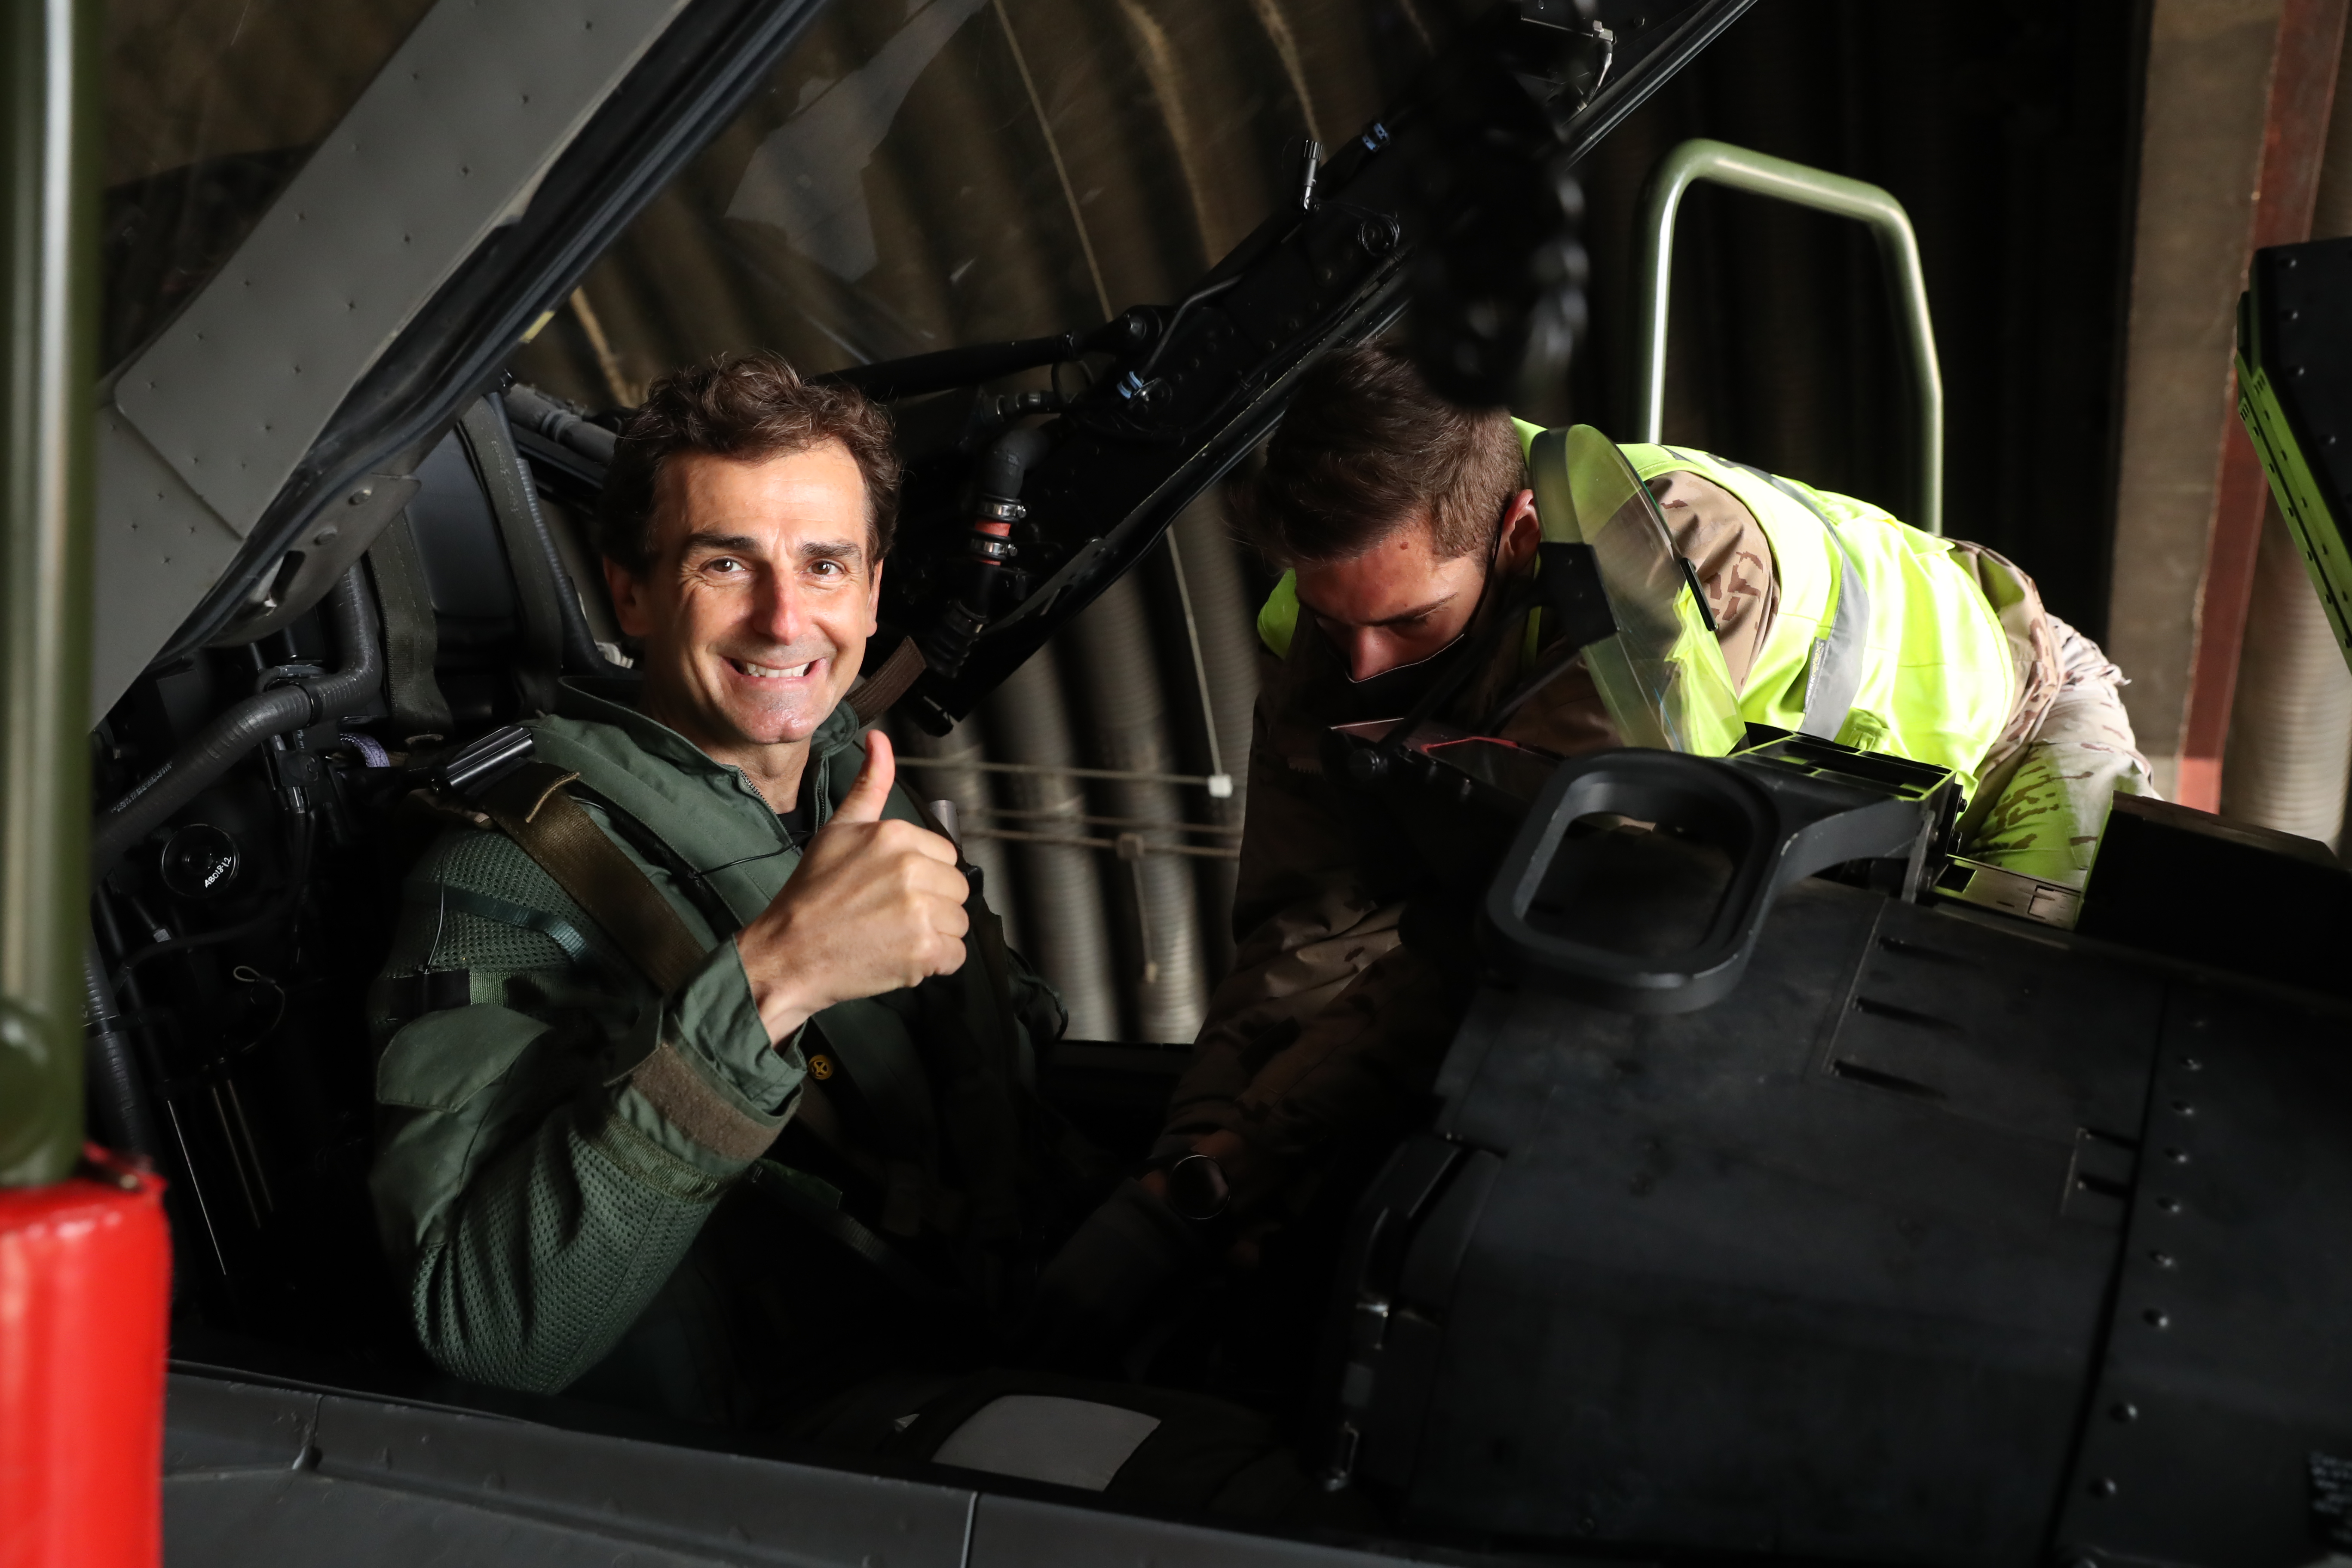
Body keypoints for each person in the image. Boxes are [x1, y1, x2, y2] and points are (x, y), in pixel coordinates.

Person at [1032, 343, 2154, 1371]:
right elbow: (1302, 920)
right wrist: (1188, 1162)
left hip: (2021, 744)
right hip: (1817, 803)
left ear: (1516, 532)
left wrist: (1250, 1161)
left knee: (1960, 1128)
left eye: (1410, 626)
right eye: (1338, 627)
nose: (1365, 666)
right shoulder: (1326, 618)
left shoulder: (1676, 575)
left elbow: (1531, 925)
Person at [366, 352, 1083, 1427]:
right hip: (766, 1453)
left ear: (877, 590)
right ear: (633, 591)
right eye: (725, 565)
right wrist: (774, 983)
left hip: (978, 1355)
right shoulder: (509, 871)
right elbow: (488, 1327)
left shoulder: (860, 790)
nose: (785, 619)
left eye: (827, 565)